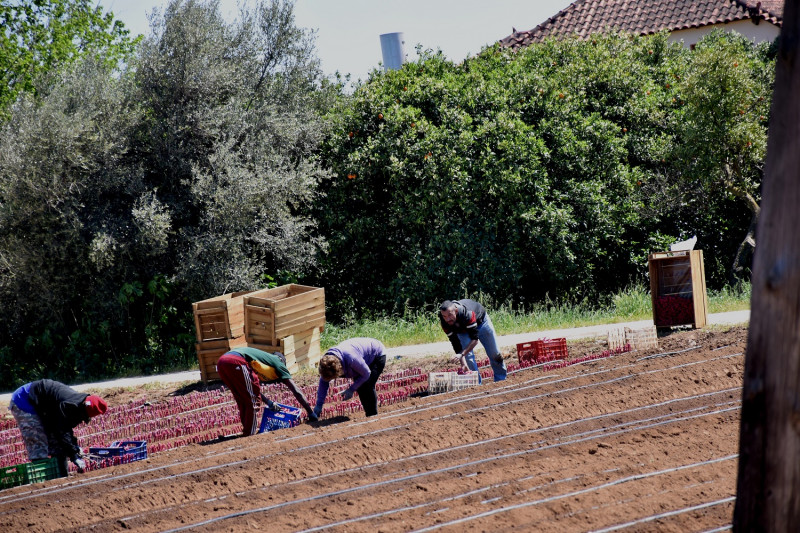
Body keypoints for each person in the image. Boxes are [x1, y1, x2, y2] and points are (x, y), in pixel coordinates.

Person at [8, 379, 108, 477]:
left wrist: (75, 447)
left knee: (58, 445)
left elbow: (66, 429)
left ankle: (61, 477)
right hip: (25, 400)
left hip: (43, 406)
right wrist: (73, 455)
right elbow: (62, 431)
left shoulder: (77, 403)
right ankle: (42, 479)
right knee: (37, 442)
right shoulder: (67, 404)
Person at [216, 346, 317, 436]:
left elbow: (252, 390)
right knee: (252, 401)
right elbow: (296, 390)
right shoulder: (278, 363)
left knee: (242, 398)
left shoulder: (261, 360)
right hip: (235, 361)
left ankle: (247, 430)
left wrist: (269, 403)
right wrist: (310, 412)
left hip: (221, 363)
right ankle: (249, 433)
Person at [312, 337, 387, 418]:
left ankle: (373, 416)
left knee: (367, 385)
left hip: (376, 355)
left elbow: (366, 373)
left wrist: (351, 389)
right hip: (358, 359)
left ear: (339, 369)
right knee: (360, 387)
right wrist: (319, 405)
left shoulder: (351, 358)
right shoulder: (326, 364)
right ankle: (369, 414)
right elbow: (324, 382)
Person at [439, 299, 506, 383]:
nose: (448, 319)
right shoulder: (444, 322)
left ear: (456, 311)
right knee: (468, 357)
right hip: (462, 330)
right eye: (444, 316)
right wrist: (463, 363)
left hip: (482, 323)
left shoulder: (467, 314)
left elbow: (475, 339)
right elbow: (455, 343)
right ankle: (476, 384)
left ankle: (501, 380)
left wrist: (462, 354)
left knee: (494, 353)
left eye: (450, 315)